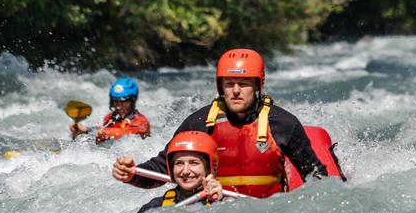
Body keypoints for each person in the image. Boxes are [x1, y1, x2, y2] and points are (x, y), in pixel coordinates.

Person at [112, 48, 327, 198]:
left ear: (258, 86)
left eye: (243, 84)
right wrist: (132, 174)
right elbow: (164, 167)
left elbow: (315, 175)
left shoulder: (282, 124)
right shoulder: (199, 123)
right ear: (220, 86)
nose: (235, 91)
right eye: (229, 83)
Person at [137, 131, 224, 213]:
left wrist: (217, 204)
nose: (185, 171)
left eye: (194, 163)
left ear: (209, 168)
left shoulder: (224, 204)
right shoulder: (154, 207)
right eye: (179, 163)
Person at [70, 77, 151, 144]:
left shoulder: (141, 122)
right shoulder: (110, 117)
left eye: (123, 101)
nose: (118, 106)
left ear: (132, 100)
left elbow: (125, 134)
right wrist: (80, 133)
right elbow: (101, 136)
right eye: (115, 100)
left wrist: (90, 130)